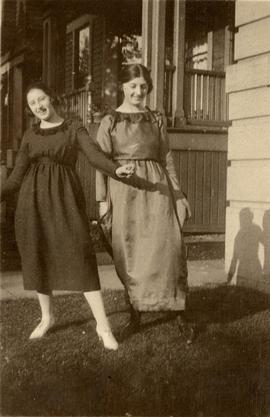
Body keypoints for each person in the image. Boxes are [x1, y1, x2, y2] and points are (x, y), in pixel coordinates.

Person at [1, 81, 135, 350]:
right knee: (38, 256)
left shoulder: (74, 128)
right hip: (33, 203)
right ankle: (47, 317)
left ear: (52, 98)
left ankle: (103, 326)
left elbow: (94, 156)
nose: (38, 106)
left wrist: (115, 169)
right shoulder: (30, 136)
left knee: (81, 257)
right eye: (32, 103)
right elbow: (15, 178)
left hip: (65, 202)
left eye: (41, 99)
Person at [95, 64, 195, 343]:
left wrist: (179, 194)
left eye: (143, 86)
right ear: (123, 87)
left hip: (158, 190)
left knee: (169, 251)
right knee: (131, 254)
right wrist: (102, 201)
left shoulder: (156, 119)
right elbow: (101, 164)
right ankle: (135, 314)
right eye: (133, 86)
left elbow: (167, 158)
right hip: (125, 193)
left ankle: (179, 314)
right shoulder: (109, 121)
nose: (138, 91)